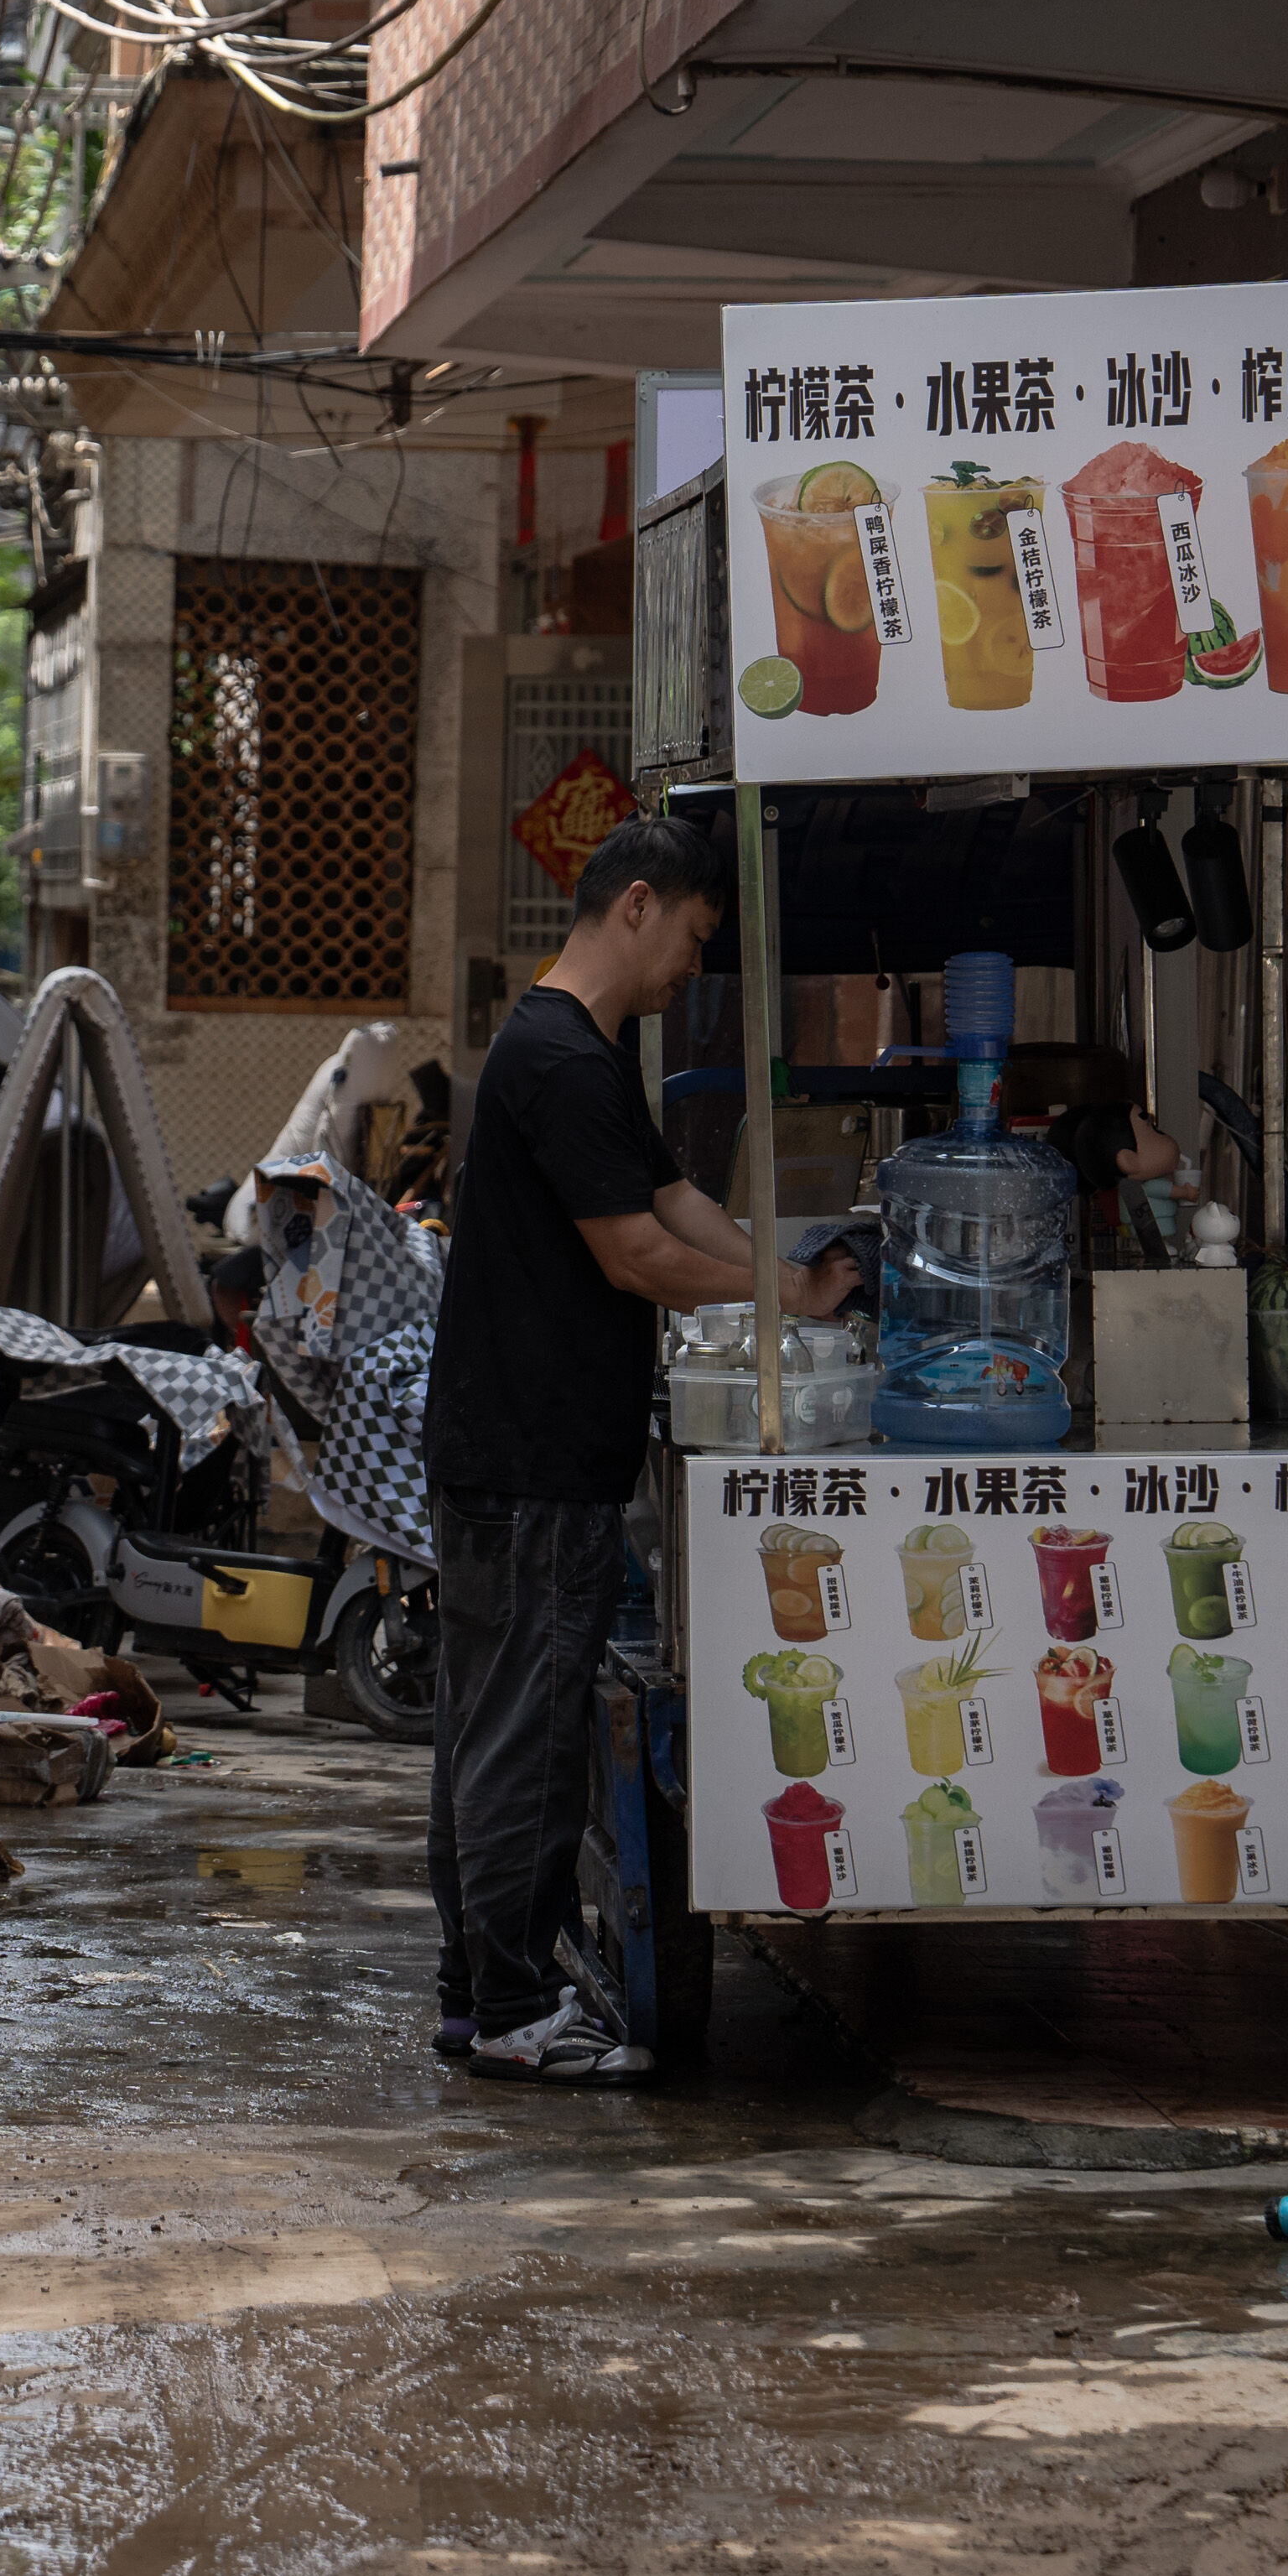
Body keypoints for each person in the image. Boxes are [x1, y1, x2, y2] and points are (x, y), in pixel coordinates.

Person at [423, 816, 856, 2086]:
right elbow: (639, 1257)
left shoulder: (587, 1049)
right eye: (694, 939)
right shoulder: (556, 1056)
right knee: (525, 1738)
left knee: (486, 1728)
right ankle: (510, 2003)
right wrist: (772, 1303)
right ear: (637, 906)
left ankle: (475, 1994)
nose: (691, 969)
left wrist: (783, 1275)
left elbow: (670, 1200)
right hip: (533, 1451)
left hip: (518, 1444)